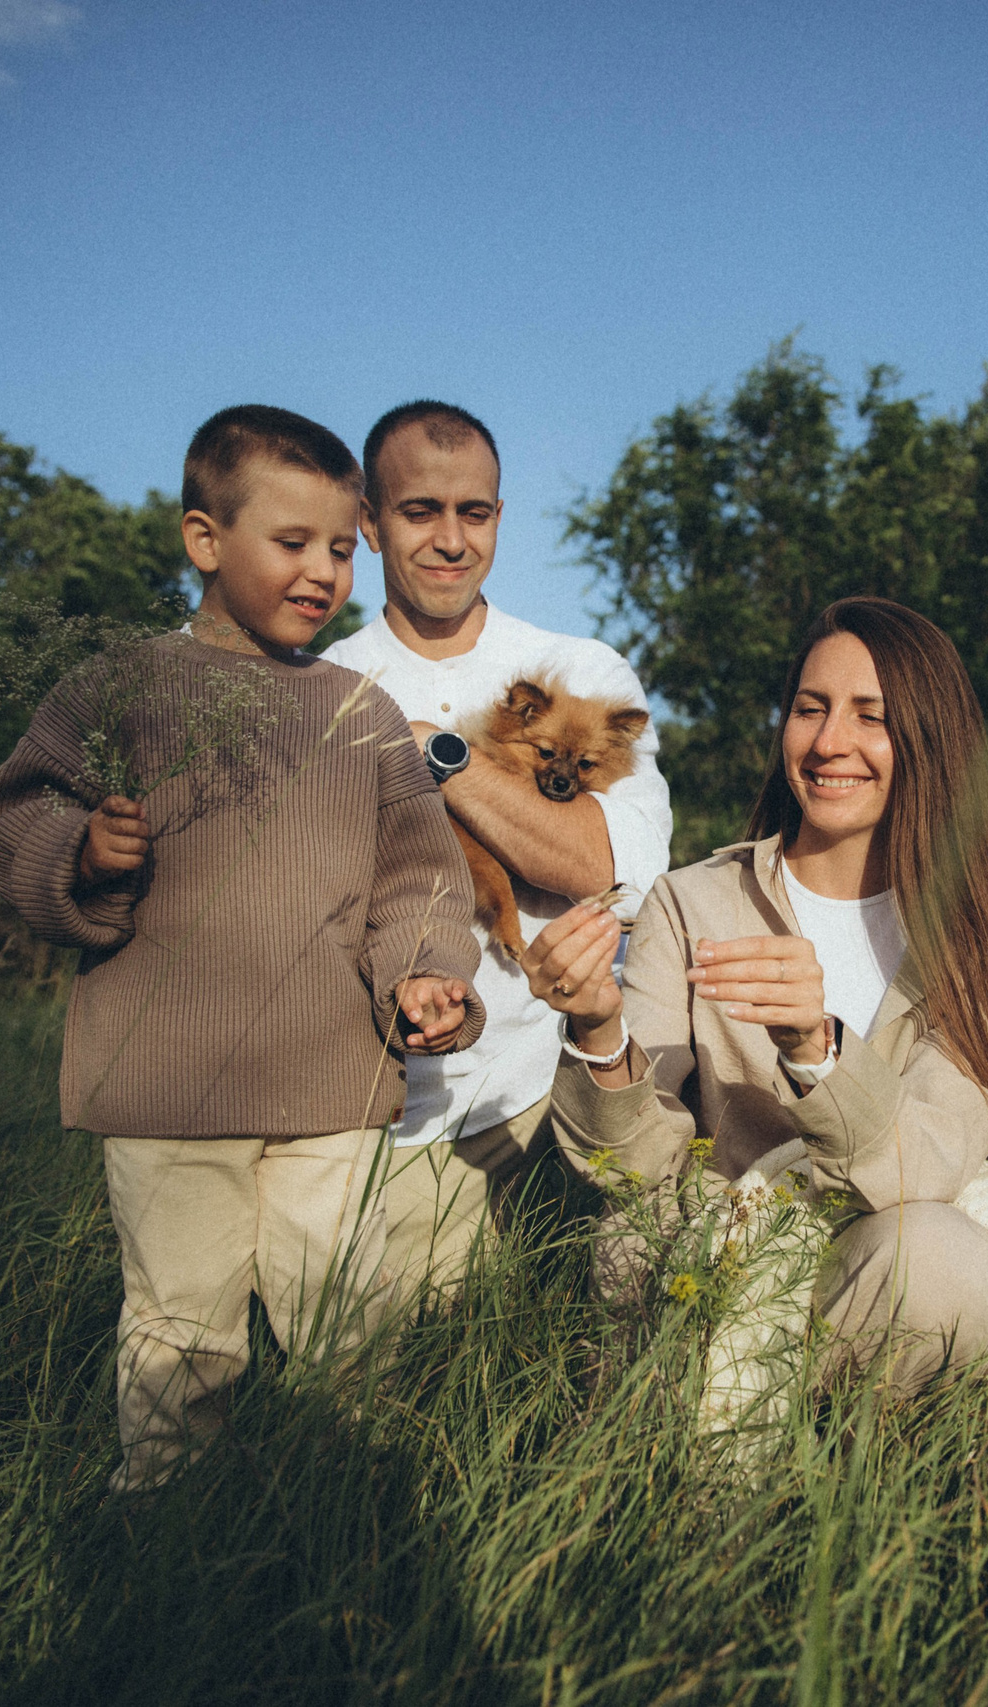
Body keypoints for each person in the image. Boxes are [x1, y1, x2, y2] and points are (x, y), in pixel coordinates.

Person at [0, 404, 483, 1493]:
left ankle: (348, 1510)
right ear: (205, 539)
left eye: (342, 548)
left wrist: (428, 973)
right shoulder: (123, 690)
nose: (322, 571)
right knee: (181, 1328)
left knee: (345, 1318)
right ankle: (161, 1521)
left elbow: (418, 872)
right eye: (290, 543)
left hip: (332, 1082)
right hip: (165, 1089)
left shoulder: (362, 714)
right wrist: (84, 851)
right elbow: (7, 815)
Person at [519, 597, 988, 1397]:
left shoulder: (982, 933)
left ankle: (869, 1476)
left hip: (874, 1279)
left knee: (940, 1257)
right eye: (809, 709)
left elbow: (927, 1164)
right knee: (635, 1242)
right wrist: (598, 1029)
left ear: (930, 737)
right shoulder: (690, 901)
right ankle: (699, 1471)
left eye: (869, 716)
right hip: (712, 1261)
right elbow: (630, 1168)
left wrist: (818, 1051)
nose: (828, 743)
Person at [319, 401, 672, 1322]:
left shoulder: (578, 668)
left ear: (501, 517)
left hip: (559, 1087)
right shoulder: (321, 687)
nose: (449, 539)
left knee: (600, 1345)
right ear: (368, 520)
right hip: (391, 1109)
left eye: (473, 513)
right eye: (418, 511)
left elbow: (601, 860)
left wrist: (440, 754)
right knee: (368, 1378)